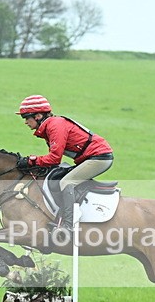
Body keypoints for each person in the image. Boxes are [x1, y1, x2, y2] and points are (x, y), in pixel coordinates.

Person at [15, 95, 114, 238]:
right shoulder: (49, 127)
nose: (25, 122)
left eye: (26, 117)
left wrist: (32, 160)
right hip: (90, 157)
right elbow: (53, 160)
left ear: (37, 116)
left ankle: (69, 225)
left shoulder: (55, 125)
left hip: (99, 158)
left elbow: (55, 158)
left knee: (67, 182)